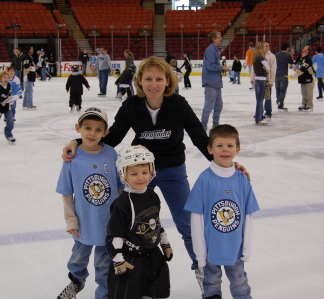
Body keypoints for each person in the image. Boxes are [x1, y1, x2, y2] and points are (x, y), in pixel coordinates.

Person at [62, 56, 249, 293]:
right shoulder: (132, 106)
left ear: (168, 81)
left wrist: (227, 165)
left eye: (159, 79)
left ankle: (201, 270)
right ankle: (132, 275)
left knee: (188, 226)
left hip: (173, 171)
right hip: (140, 174)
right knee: (132, 226)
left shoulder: (178, 104)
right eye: (148, 78)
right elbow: (112, 138)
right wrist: (78, 141)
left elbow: (200, 138)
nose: (153, 84)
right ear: (139, 81)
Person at [184, 124, 260, 299]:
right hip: (211, 250)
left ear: (238, 149)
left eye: (230, 146)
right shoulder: (204, 180)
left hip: (235, 250)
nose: (225, 150)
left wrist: (247, 248)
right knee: (211, 284)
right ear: (210, 149)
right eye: (219, 146)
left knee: (240, 284)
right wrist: (200, 254)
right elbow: (196, 219)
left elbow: (248, 216)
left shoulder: (242, 180)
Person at [56, 107, 123, 299]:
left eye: (98, 129)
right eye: (87, 128)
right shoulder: (71, 158)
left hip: (107, 224)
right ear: (78, 128)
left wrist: (120, 217)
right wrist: (71, 221)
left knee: (104, 265)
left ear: (105, 132)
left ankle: (103, 295)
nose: (92, 133)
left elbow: (119, 187)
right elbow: (67, 194)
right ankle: (77, 281)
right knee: (78, 258)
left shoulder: (111, 154)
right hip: (83, 223)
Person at [106, 145, 173, 299]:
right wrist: (117, 260)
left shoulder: (152, 196)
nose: (141, 178)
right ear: (124, 175)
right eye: (134, 173)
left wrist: (165, 243)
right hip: (130, 259)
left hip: (153, 256)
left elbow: (156, 222)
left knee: (155, 290)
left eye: (144, 172)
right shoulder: (122, 203)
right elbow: (113, 234)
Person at [201, 31, 230, 131]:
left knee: (218, 106)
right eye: (219, 37)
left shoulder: (215, 50)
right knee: (209, 106)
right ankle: (203, 127)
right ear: (214, 39)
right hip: (211, 82)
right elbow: (210, 66)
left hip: (216, 83)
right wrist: (222, 67)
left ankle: (215, 127)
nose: (221, 39)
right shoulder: (210, 50)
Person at [250, 42, 271, 126]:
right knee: (260, 100)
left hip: (257, 79)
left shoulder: (255, 57)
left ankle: (258, 117)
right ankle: (259, 118)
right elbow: (268, 67)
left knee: (259, 99)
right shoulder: (260, 57)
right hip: (261, 80)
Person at [292, 45, 315, 112]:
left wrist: (295, 75)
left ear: (308, 50)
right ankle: (304, 104)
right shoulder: (299, 57)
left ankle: (310, 105)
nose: (303, 47)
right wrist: (292, 66)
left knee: (308, 92)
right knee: (303, 92)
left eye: (305, 47)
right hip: (302, 77)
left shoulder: (308, 59)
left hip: (308, 77)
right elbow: (295, 65)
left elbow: (303, 68)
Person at [274, 43, 294, 111]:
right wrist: (291, 54)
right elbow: (291, 63)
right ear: (287, 48)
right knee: (282, 90)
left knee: (278, 89)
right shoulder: (287, 56)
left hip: (276, 74)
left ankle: (278, 100)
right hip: (284, 75)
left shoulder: (276, 55)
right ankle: (280, 103)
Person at [261, 41, 276, 121]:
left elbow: (273, 69)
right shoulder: (259, 55)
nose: (266, 47)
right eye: (264, 46)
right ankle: (259, 112)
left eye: (267, 46)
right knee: (259, 97)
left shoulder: (272, 56)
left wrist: (271, 81)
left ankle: (268, 113)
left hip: (267, 80)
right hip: (259, 80)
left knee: (267, 97)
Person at [22, 45, 37, 110]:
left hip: (29, 75)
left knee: (27, 91)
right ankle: (29, 105)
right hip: (27, 75)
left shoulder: (29, 57)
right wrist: (34, 68)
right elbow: (26, 67)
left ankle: (25, 104)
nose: (32, 50)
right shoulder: (26, 57)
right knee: (29, 91)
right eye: (31, 49)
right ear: (28, 50)